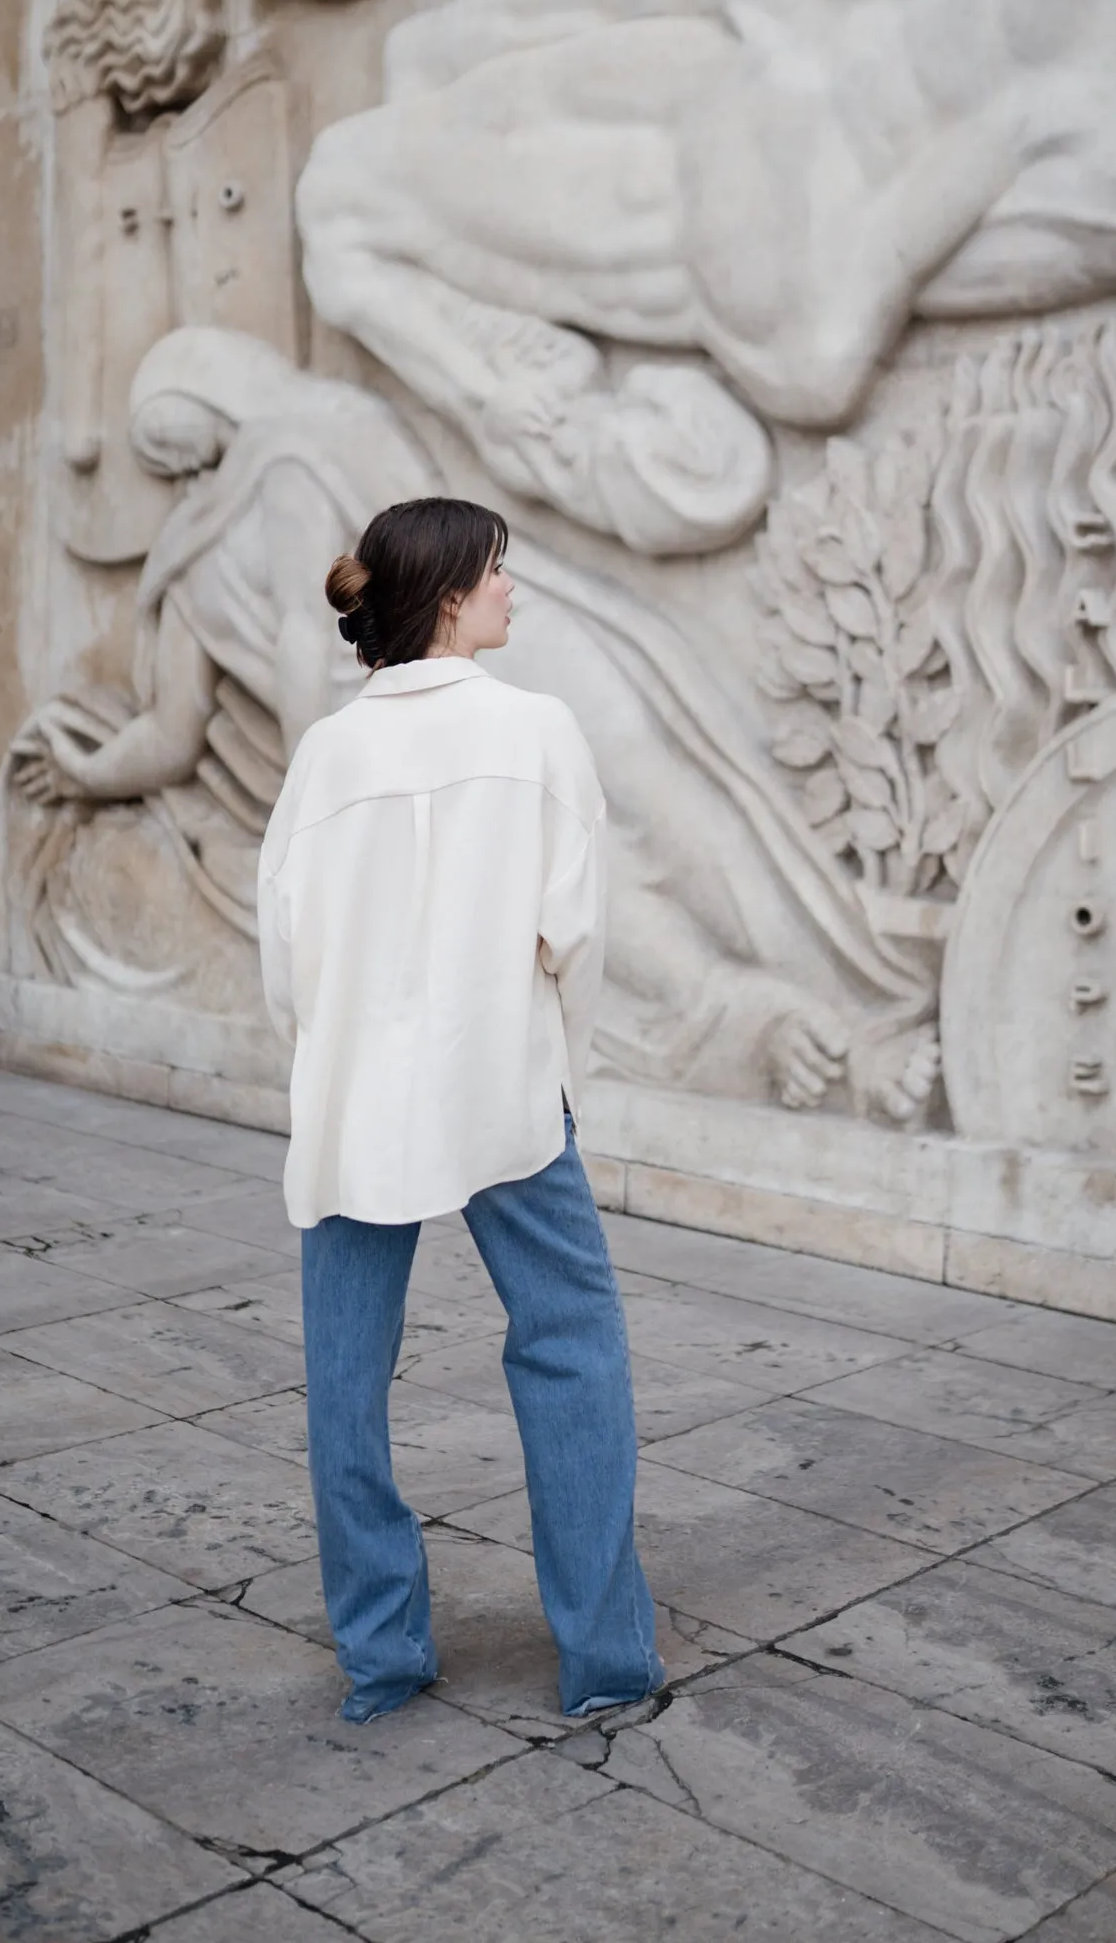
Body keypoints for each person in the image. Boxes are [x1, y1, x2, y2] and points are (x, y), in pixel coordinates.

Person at [257, 496, 663, 1723]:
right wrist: (557, 1067)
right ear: (447, 593)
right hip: (502, 1086)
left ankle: (381, 1659)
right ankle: (604, 1657)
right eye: (497, 570)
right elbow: (573, 934)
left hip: (353, 1099)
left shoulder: (329, 751)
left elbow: (286, 952)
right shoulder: (536, 730)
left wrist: (334, 1056)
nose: (511, 589)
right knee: (572, 1342)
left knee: (345, 1376)